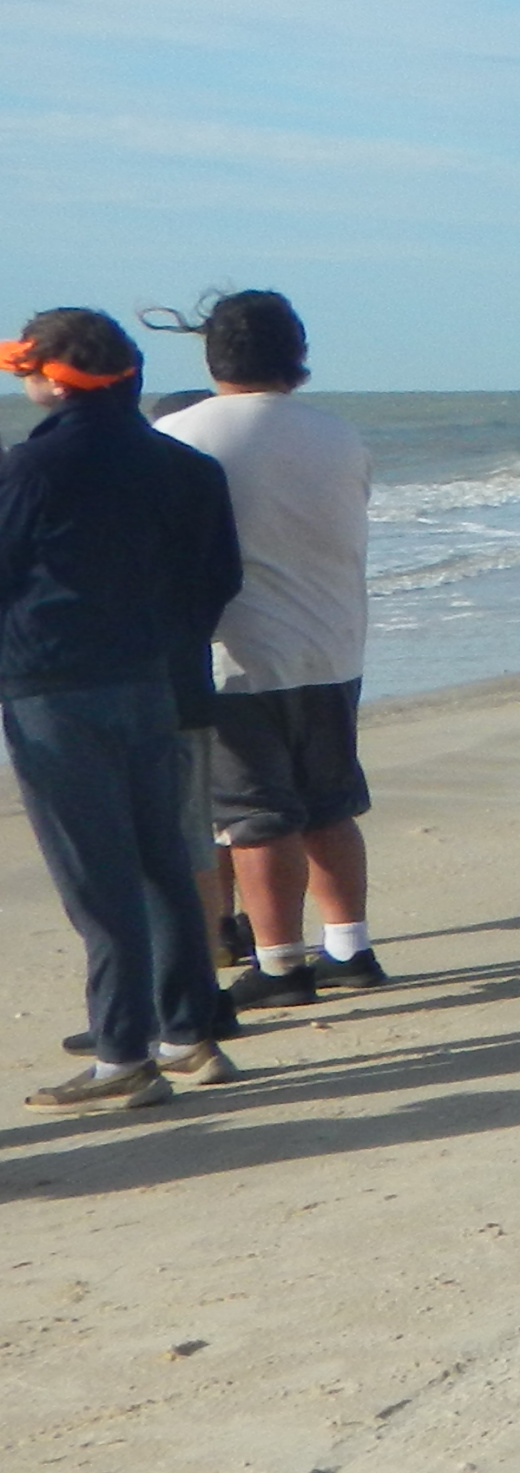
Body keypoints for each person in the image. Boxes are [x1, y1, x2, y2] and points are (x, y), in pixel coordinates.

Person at [0, 310, 242, 1107]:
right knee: (161, 861)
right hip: (153, 678)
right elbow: (219, 577)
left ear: (51, 378)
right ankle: (187, 1031)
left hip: (54, 685)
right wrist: (167, 639)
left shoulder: (33, 468)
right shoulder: (185, 466)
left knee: (97, 877)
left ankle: (122, 1053)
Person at [161, 291, 385, 1008]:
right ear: (297, 356)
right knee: (329, 805)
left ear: (212, 356)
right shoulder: (338, 435)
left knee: (253, 818)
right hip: (333, 641)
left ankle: (281, 961)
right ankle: (349, 945)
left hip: (239, 650)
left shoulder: (180, 433)